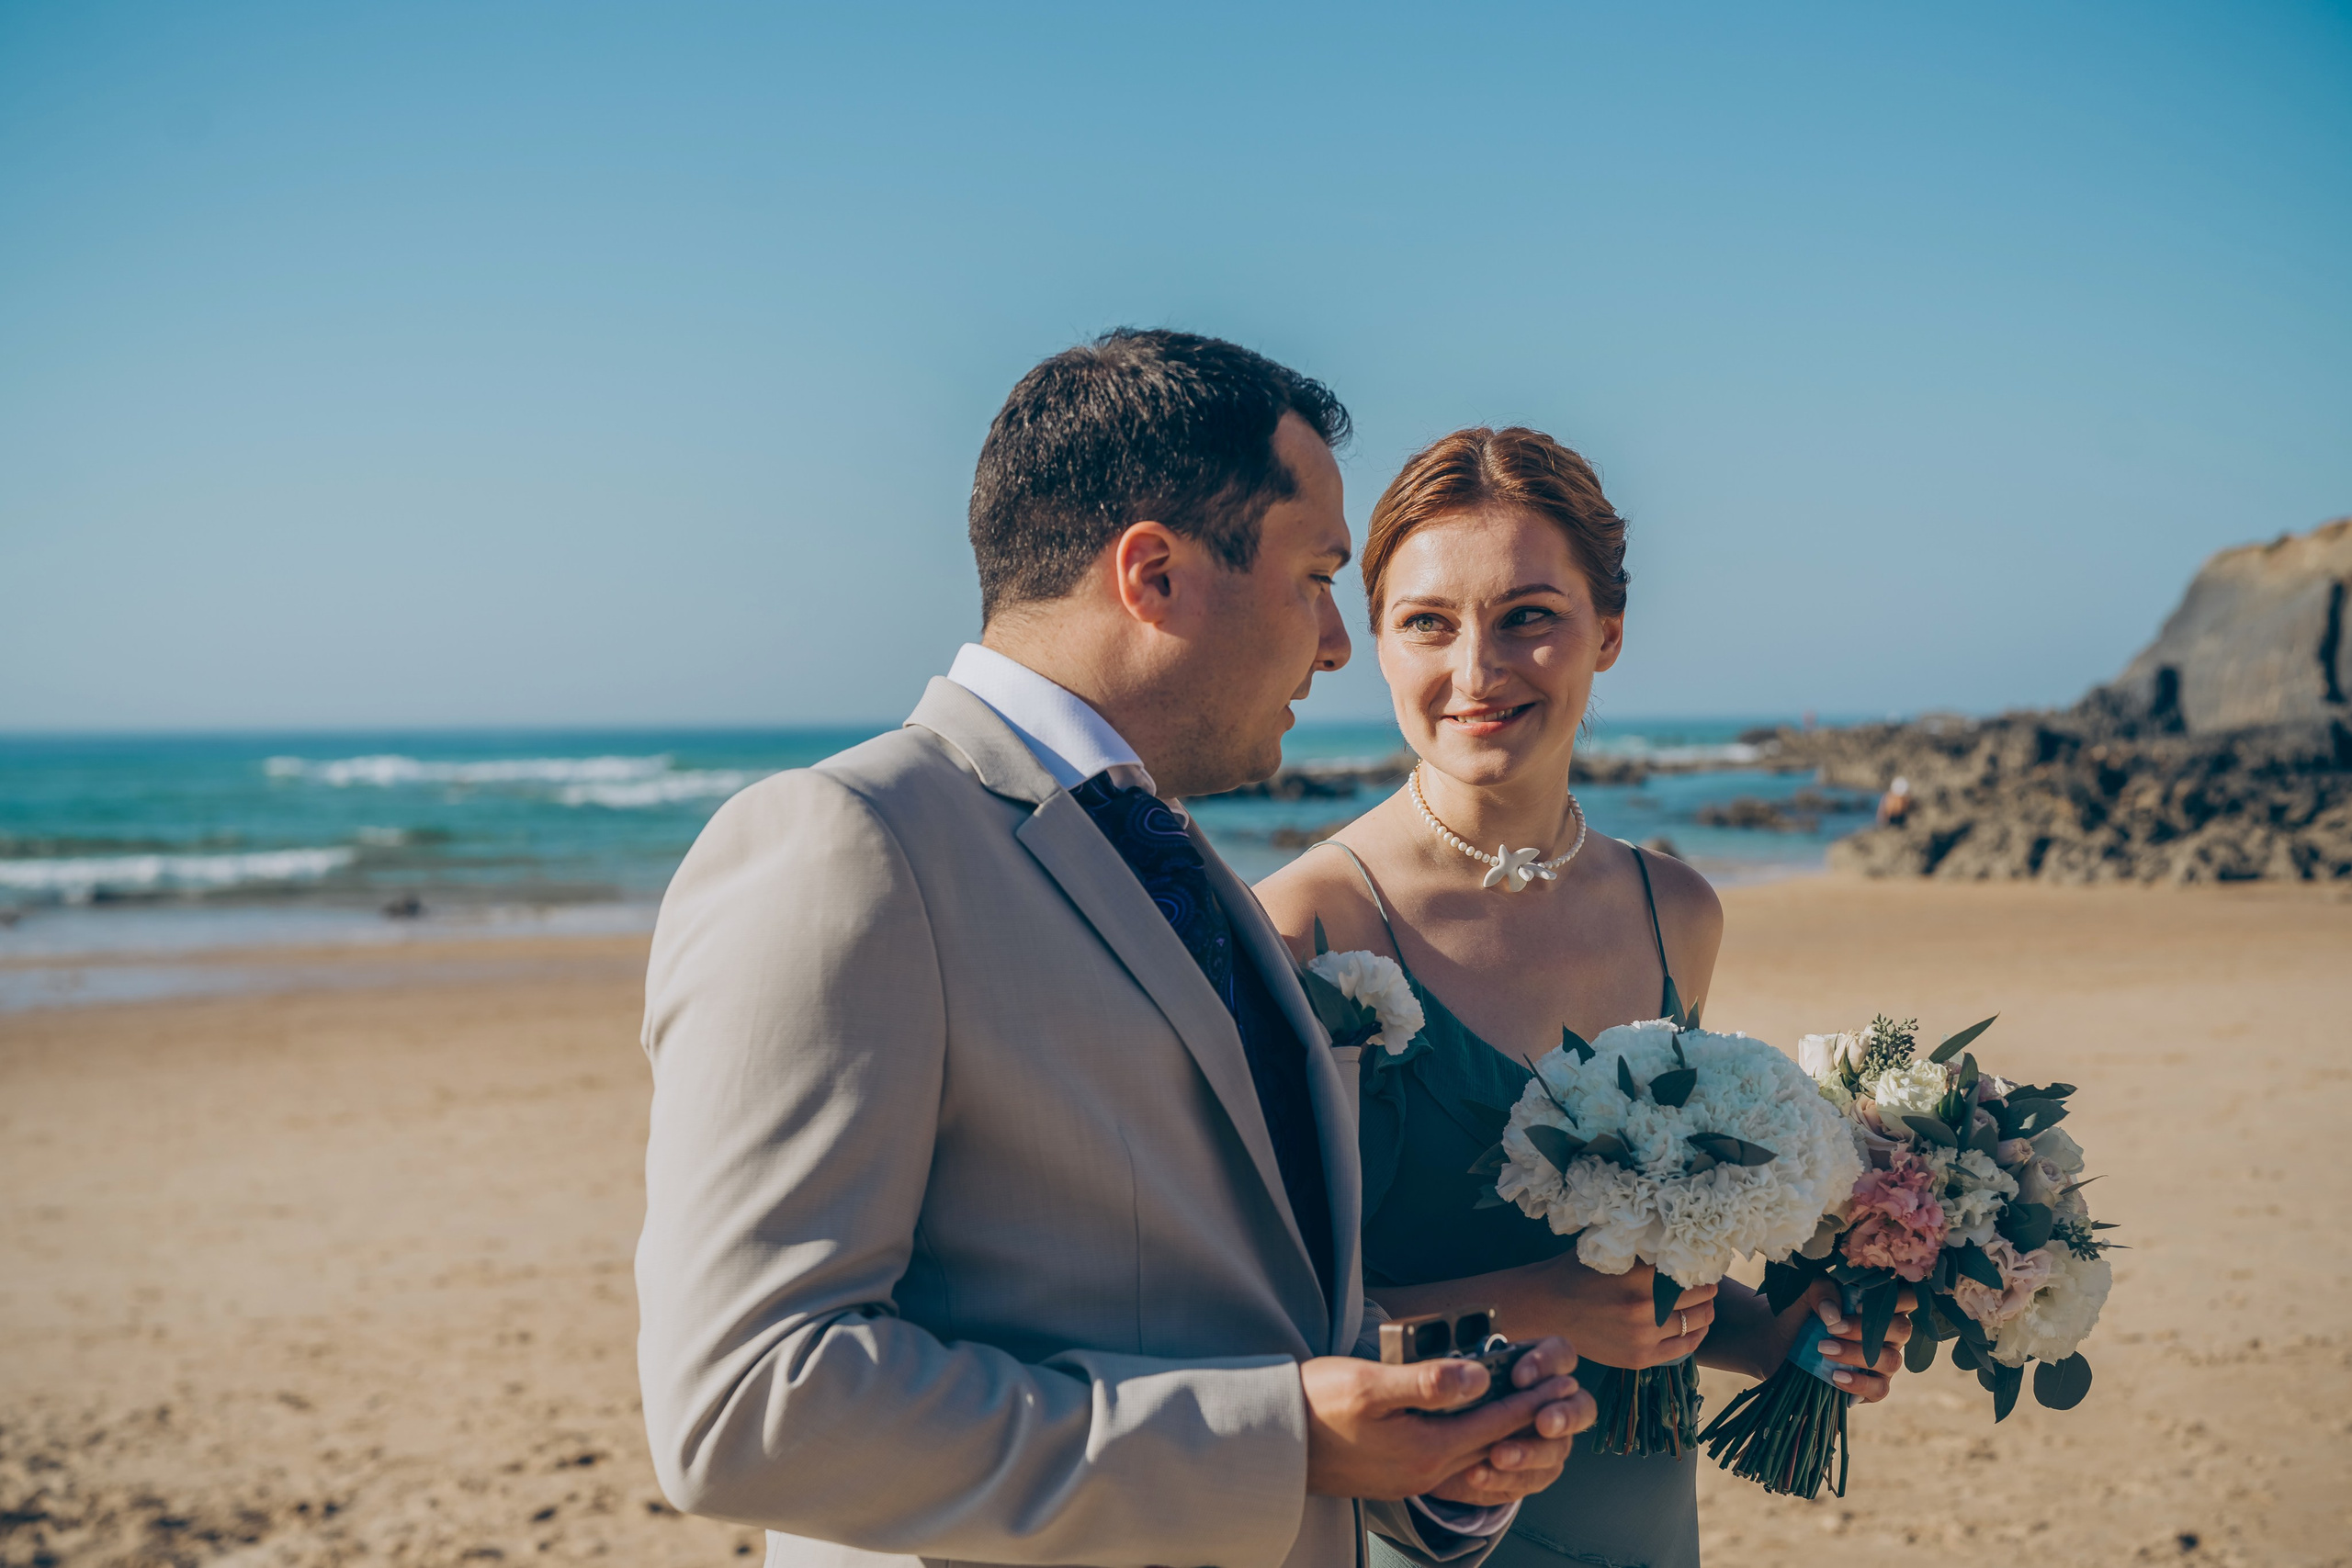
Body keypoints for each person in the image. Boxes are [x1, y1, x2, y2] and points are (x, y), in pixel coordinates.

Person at [635, 333, 1600, 1568]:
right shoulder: (848, 842)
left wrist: (1430, 1455)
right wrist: (1282, 1441)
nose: (1337, 643)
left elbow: (1257, 1322)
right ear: (1154, 574)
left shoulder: (1185, 866)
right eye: (1313, 577)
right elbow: (750, 1406)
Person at [1256, 428, 1914, 1568]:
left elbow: (1662, 1273)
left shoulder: (1677, 909)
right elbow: (1254, 1323)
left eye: (1527, 616)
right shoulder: (1303, 926)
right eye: (1427, 622)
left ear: (1606, 635)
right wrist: (1527, 1304)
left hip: (1644, 1514)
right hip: (1420, 1527)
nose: (1475, 670)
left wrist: (1783, 1339)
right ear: (1374, 644)